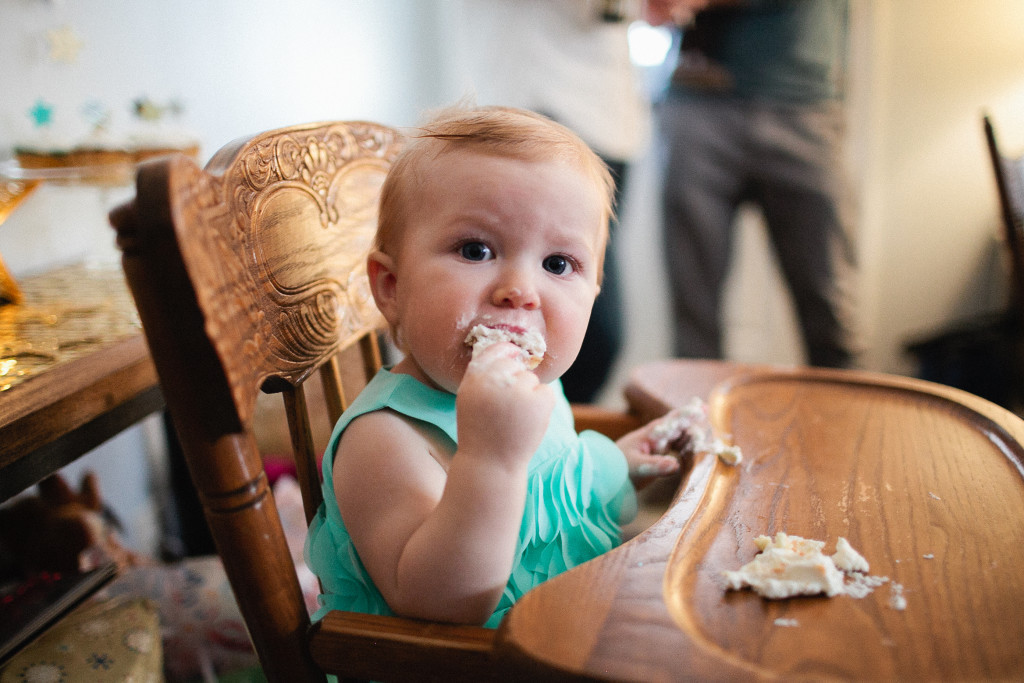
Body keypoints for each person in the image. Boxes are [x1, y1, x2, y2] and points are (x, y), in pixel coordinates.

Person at [304, 105, 683, 627]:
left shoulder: (532, 388)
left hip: (567, 628)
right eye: (476, 250)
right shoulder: (385, 438)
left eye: (557, 264)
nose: (520, 292)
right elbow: (442, 604)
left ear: (594, 293)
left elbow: (547, 497)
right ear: (392, 288)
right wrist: (490, 460)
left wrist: (620, 464)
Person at [448, 0, 653, 402]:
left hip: (609, 115)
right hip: (538, 97)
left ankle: (550, 433)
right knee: (595, 337)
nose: (522, 290)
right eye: (473, 252)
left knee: (583, 326)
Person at [647, 0, 860, 368]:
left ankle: (853, 425)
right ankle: (696, 425)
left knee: (831, 314)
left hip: (804, 105)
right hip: (697, 97)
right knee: (694, 322)